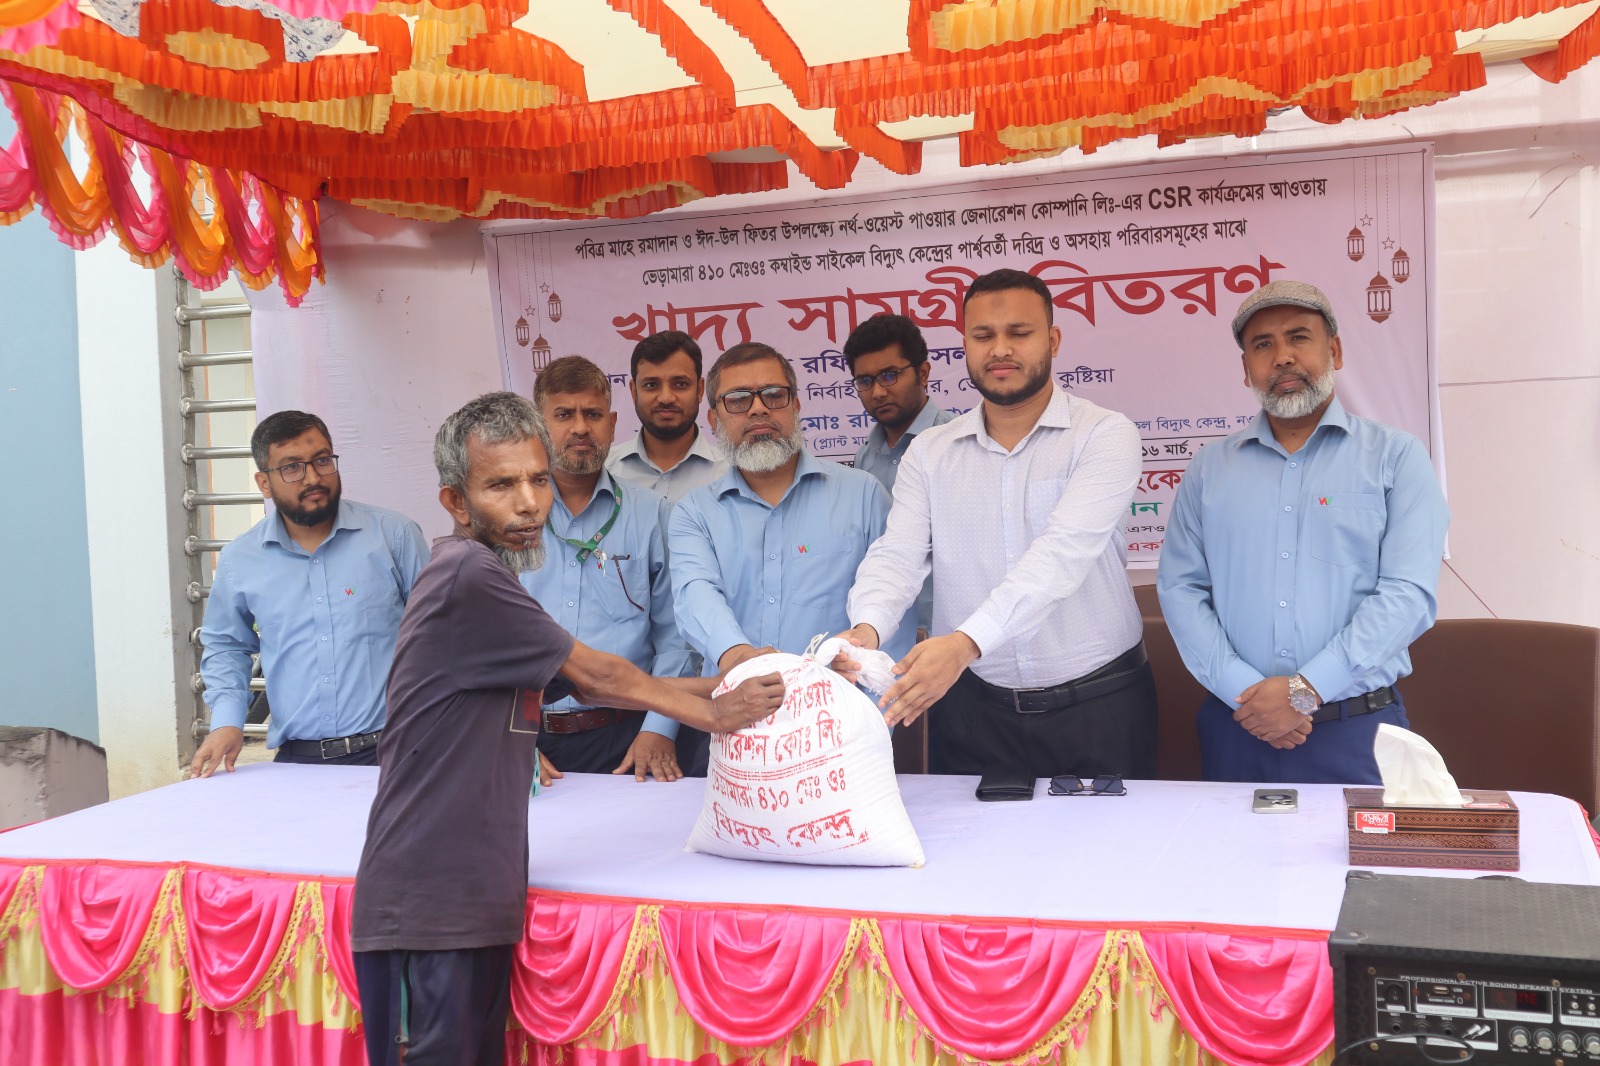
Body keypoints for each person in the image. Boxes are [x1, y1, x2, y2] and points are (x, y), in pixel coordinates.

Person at [351, 392, 783, 1066]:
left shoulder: (483, 581)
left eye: (538, 479)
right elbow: (599, 674)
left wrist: (743, 679)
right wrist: (719, 715)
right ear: (456, 502)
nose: (530, 504)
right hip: (429, 909)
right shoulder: (469, 574)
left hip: (469, 902)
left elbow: (595, 677)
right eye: (501, 485)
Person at [842, 268, 1157, 779]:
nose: (1000, 349)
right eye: (983, 335)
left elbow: (1061, 555)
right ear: (965, 344)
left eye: (1019, 332)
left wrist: (963, 644)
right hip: (972, 709)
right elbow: (897, 554)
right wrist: (866, 629)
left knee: (1114, 836)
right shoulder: (930, 452)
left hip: (1099, 704)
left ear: (1053, 340)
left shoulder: (1103, 434)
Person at [1156, 280, 1450, 784]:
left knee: (1360, 845)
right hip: (1238, 726)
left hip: (1357, 731)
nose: (1283, 356)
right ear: (1245, 367)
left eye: (1299, 337)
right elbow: (1181, 588)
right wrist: (1247, 694)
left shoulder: (1396, 457)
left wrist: (1304, 692)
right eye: (1262, 345)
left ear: (1334, 350)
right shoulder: (1209, 469)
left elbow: (1408, 594)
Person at [669, 342, 915, 763]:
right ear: (713, 418)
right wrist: (740, 659)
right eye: (738, 400)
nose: (758, 409)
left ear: (796, 404)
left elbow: (894, 609)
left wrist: (867, 713)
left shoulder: (862, 496)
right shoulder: (694, 512)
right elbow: (696, 595)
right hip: (737, 729)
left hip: (843, 732)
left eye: (774, 395)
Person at [192, 410, 428, 775]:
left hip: (398, 753)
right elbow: (227, 646)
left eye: (322, 460)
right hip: (297, 765)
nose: (313, 477)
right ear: (264, 483)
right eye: (292, 468)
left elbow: (440, 634)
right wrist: (227, 721)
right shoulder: (241, 559)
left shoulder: (394, 537)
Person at [523, 356, 693, 783]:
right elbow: (487, 644)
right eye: (564, 414)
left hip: (632, 740)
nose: (581, 428)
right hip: (529, 742)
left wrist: (659, 727)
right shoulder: (512, 518)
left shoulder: (653, 515)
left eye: (593, 414)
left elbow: (676, 637)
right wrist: (508, 738)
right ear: (537, 425)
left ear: (613, 424)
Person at [844, 313, 955, 639]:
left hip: (947, 634)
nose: (877, 392)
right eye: (865, 381)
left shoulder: (956, 444)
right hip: (879, 631)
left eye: (889, 375)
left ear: (923, 373)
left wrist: (931, 627)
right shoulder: (865, 456)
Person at [607, 330, 727, 503]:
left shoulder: (731, 474)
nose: (666, 398)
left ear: (700, 390)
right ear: (634, 392)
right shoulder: (604, 472)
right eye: (651, 385)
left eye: (680, 384)